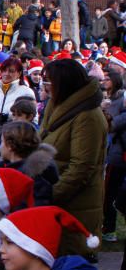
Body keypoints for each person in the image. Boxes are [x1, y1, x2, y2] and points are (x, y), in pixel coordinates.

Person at [39, 59, 107, 255]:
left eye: (50, 82)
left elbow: (82, 167)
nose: (46, 87)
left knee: (67, 265)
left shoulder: (88, 117)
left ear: (65, 83)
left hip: (74, 204)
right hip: (53, 196)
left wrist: (50, 194)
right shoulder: (56, 105)